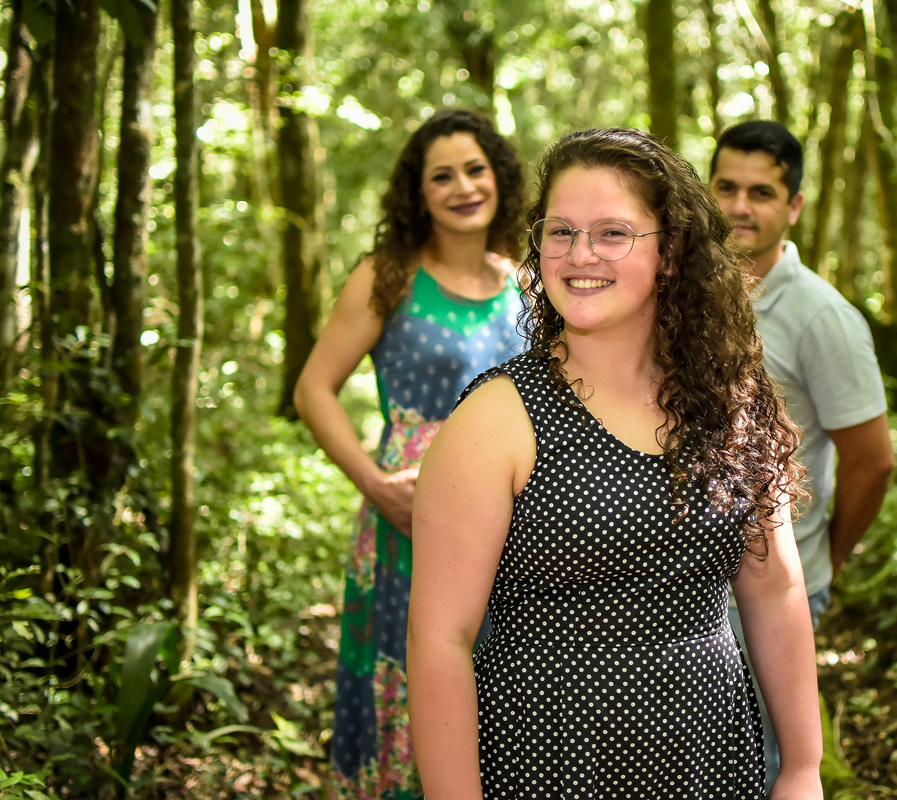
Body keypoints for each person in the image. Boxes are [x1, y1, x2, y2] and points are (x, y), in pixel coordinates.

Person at [407, 127, 824, 799]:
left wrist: (803, 767)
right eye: (561, 232)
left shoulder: (728, 402)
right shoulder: (496, 421)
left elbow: (774, 588)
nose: (580, 254)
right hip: (549, 766)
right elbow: (441, 641)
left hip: (711, 761)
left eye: (612, 233)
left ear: (671, 252)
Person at [293, 109, 526, 799]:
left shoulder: (527, 281)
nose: (463, 187)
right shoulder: (388, 276)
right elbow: (312, 389)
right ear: (418, 193)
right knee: (415, 668)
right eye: (442, 176)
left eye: (475, 169)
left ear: (499, 176)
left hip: (515, 513)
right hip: (410, 516)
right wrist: (374, 483)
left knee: (501, 676)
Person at [710, 120, 895, 787]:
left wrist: (825, 561)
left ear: (793, 207)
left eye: (761, 193)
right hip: (691, 588)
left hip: (775, 589)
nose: (739, 206)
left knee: (767, 768)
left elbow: (873, 460)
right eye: (727, 187)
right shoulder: (684, 295)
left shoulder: (824, 317)